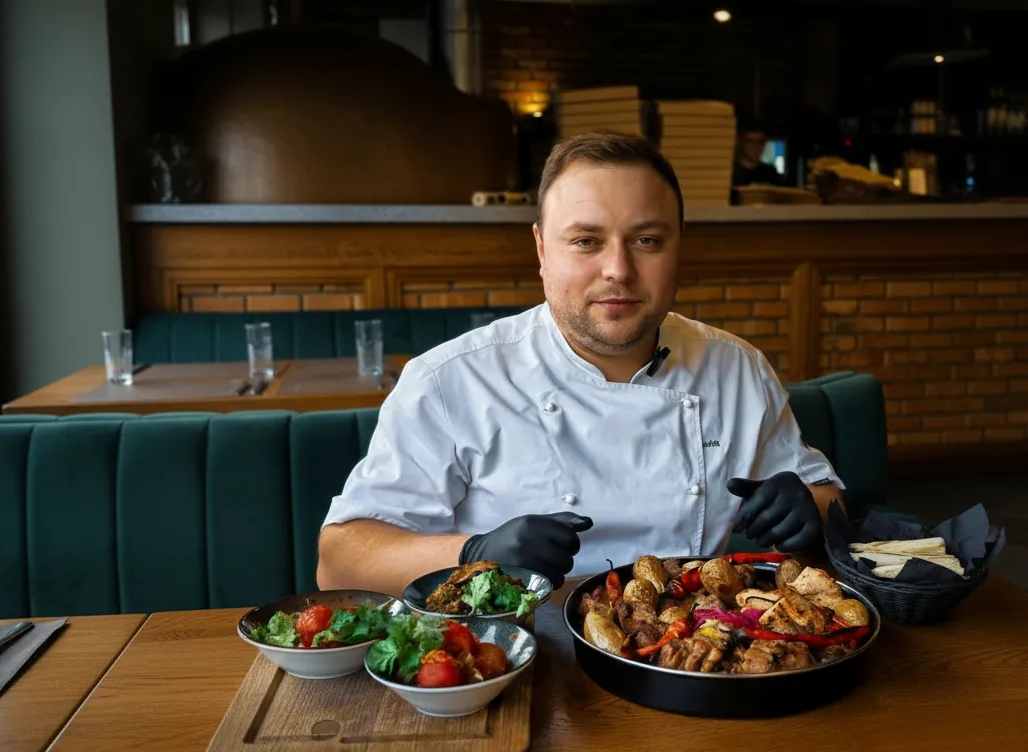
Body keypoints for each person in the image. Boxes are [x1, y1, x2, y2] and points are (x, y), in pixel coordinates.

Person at [317, 131, 844, 595]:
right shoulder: (450, 381)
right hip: (519, 661)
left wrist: (811, 514)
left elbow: (825, 501)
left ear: (679, 247)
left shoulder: (737, 369)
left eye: (647, 240)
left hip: (689, 651)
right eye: (586, 241)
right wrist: (473, 555)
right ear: (543, 249)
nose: (618, 270)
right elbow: (340, 563)